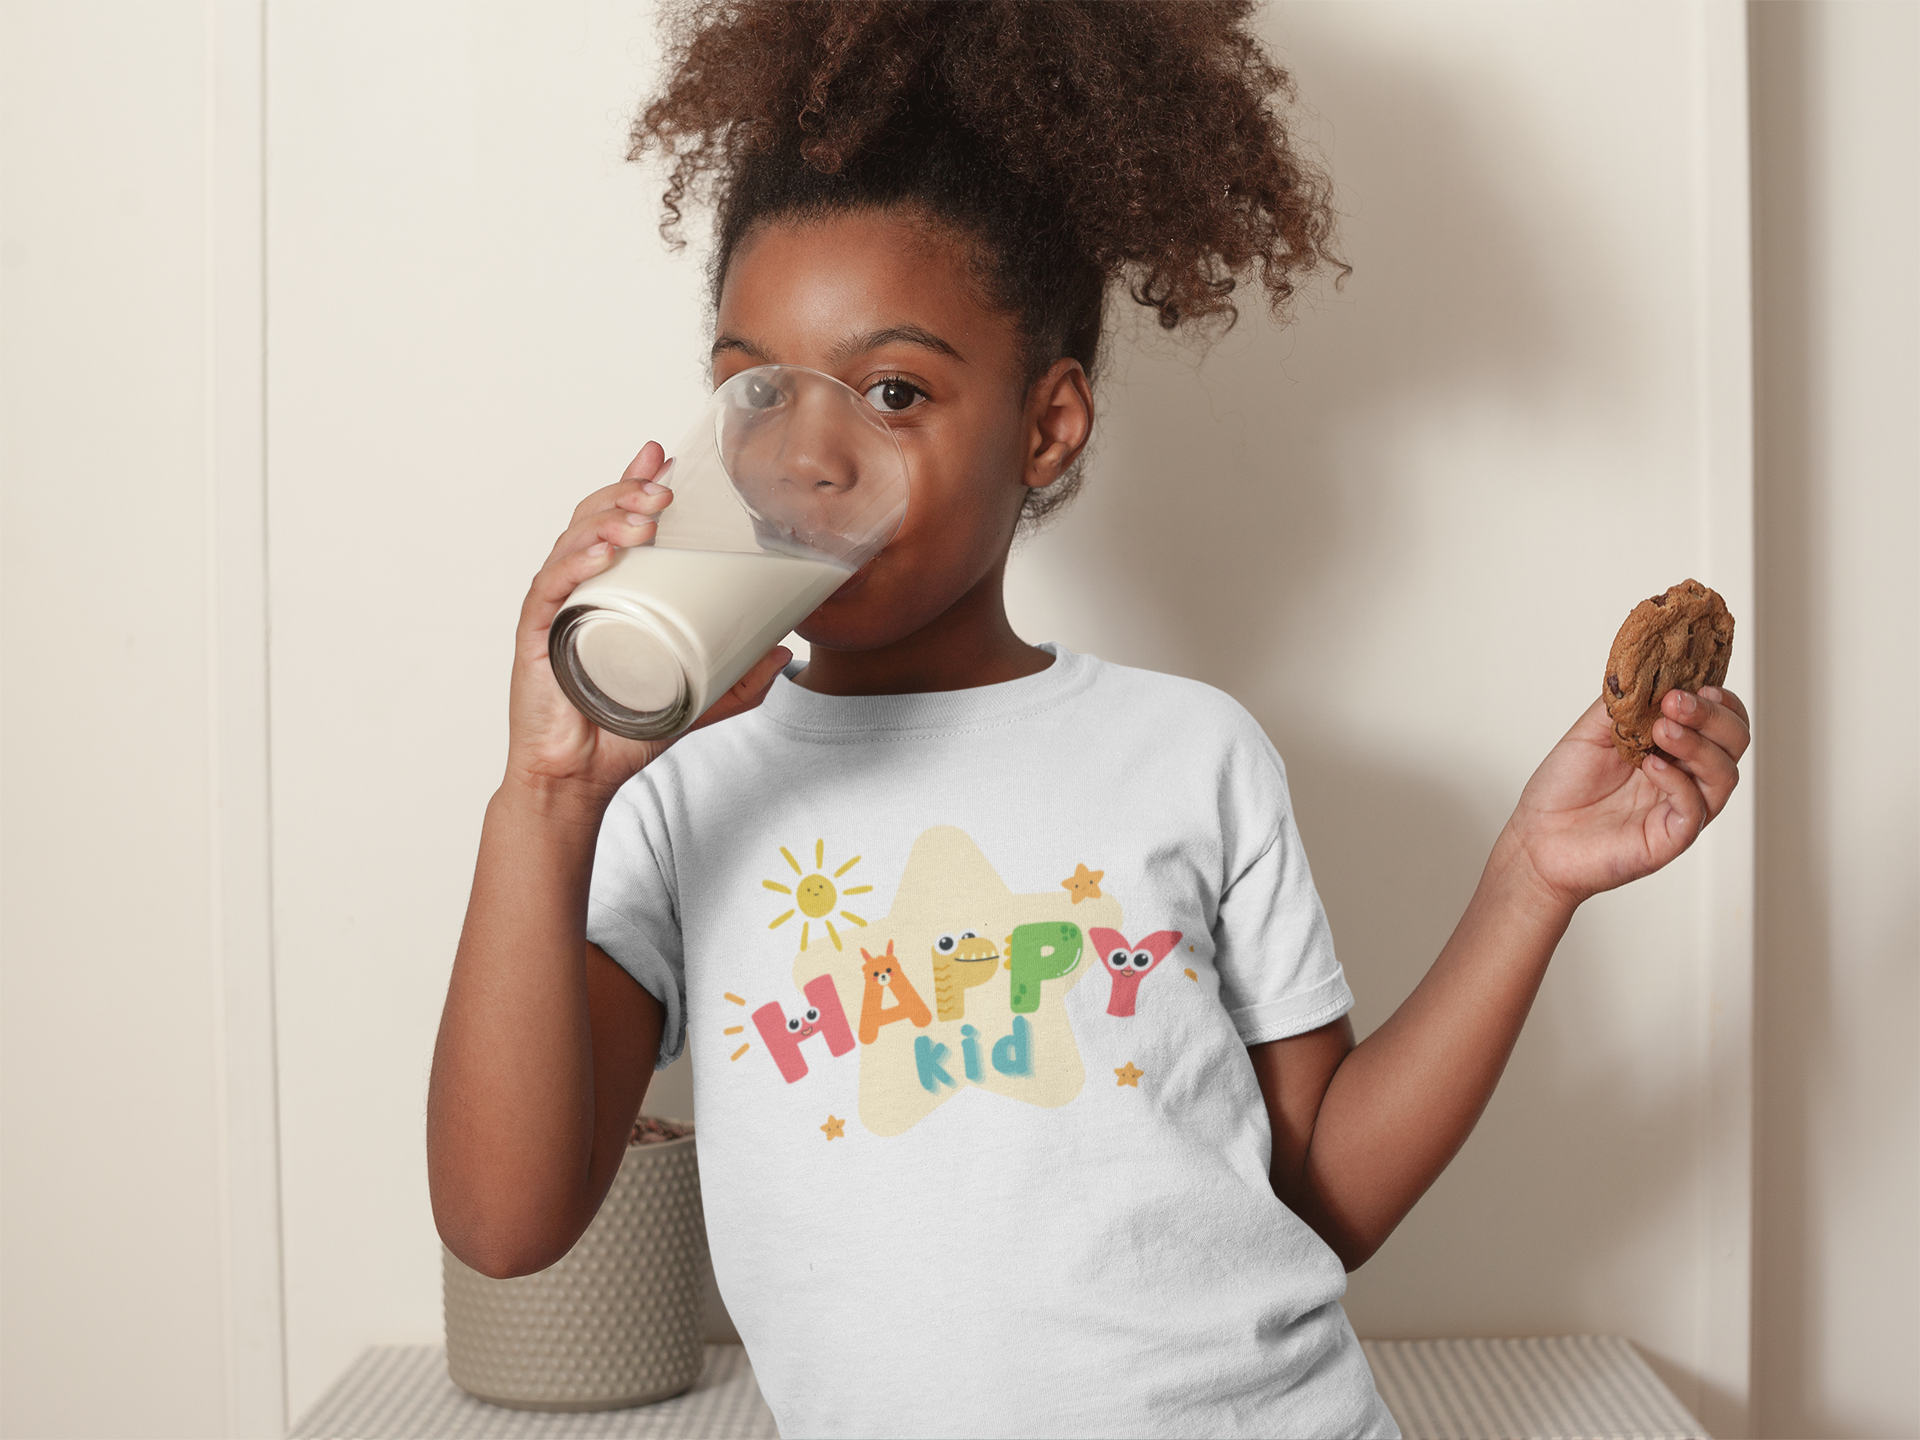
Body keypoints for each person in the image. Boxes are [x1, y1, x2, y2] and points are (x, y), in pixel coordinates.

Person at [425, 4, 1750, 1436]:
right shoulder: (679, 802)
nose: (806, 454)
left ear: (1047, 426)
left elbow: (1320, 1198)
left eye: (892, 390)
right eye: (756, 387)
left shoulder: (1192, 756)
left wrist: (1530, 882)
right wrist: (548, 791)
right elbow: (507, 1222)